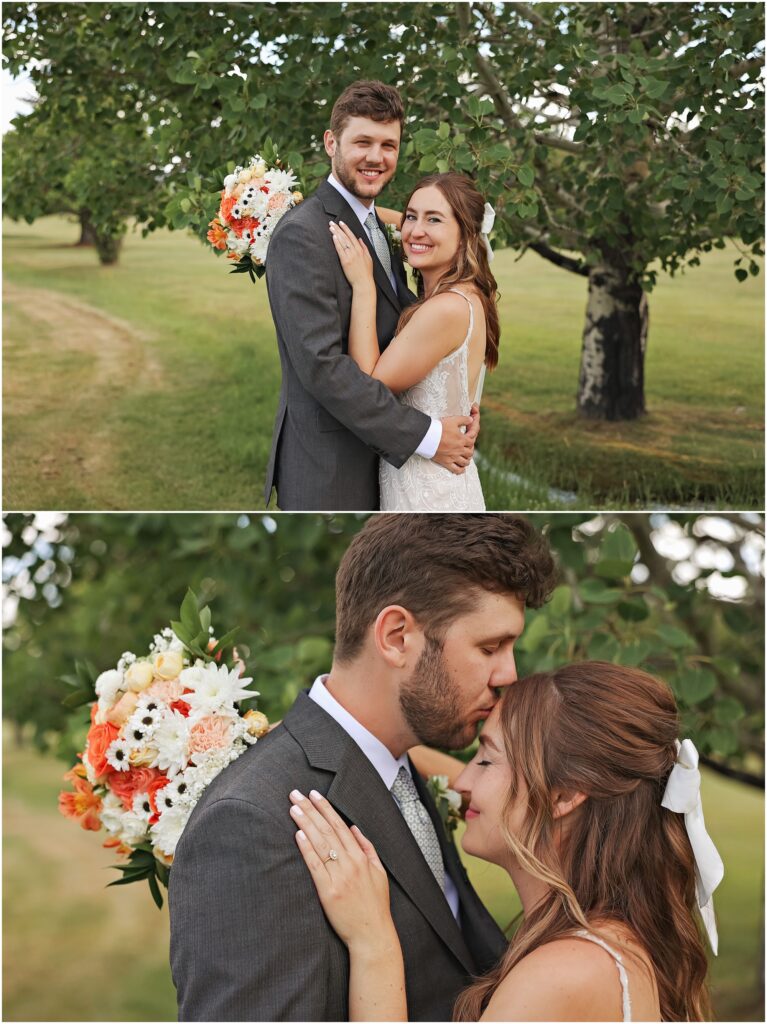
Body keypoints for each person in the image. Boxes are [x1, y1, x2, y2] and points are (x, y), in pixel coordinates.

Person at [169, 513, 558, 1021]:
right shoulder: (252, 821)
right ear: (396, 636)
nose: (509, 673)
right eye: (490, 647)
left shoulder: (400, 768)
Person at [291, 662, 724, 1022]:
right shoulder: (610, 944)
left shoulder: (561, 975)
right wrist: (320, 746)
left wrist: (374, 944)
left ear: (564, 796)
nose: (463, 780)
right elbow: (464, 783)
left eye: (485, 758)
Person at [264, 80, 480, 511]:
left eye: (389, 145)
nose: (376, 158)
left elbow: (402, 328)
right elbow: (323, 369)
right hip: (331, 470)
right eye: (362, 142)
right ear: (331, 142)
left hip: (387, 465)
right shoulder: (302, 236)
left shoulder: (376, 226)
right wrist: (429, 436)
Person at [329, 171, 499, 510]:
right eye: (411, 216)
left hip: (430, 490)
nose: (415, 231)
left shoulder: (446, 309)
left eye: (434, 219)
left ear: (466, 235)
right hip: (427, 477)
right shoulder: (470, 294)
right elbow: (383, 218)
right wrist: (336, 208)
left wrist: (364, 287)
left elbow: (369, 385)